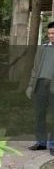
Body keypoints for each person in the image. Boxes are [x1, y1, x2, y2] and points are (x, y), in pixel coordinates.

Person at [26, 21, 54, 155]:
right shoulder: (42, 48)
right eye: (49, 33)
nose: (51, 36)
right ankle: (41, 143)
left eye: (53, 33)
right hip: (41, 86)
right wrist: (31, 85)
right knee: (39, 116)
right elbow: (35, 69)